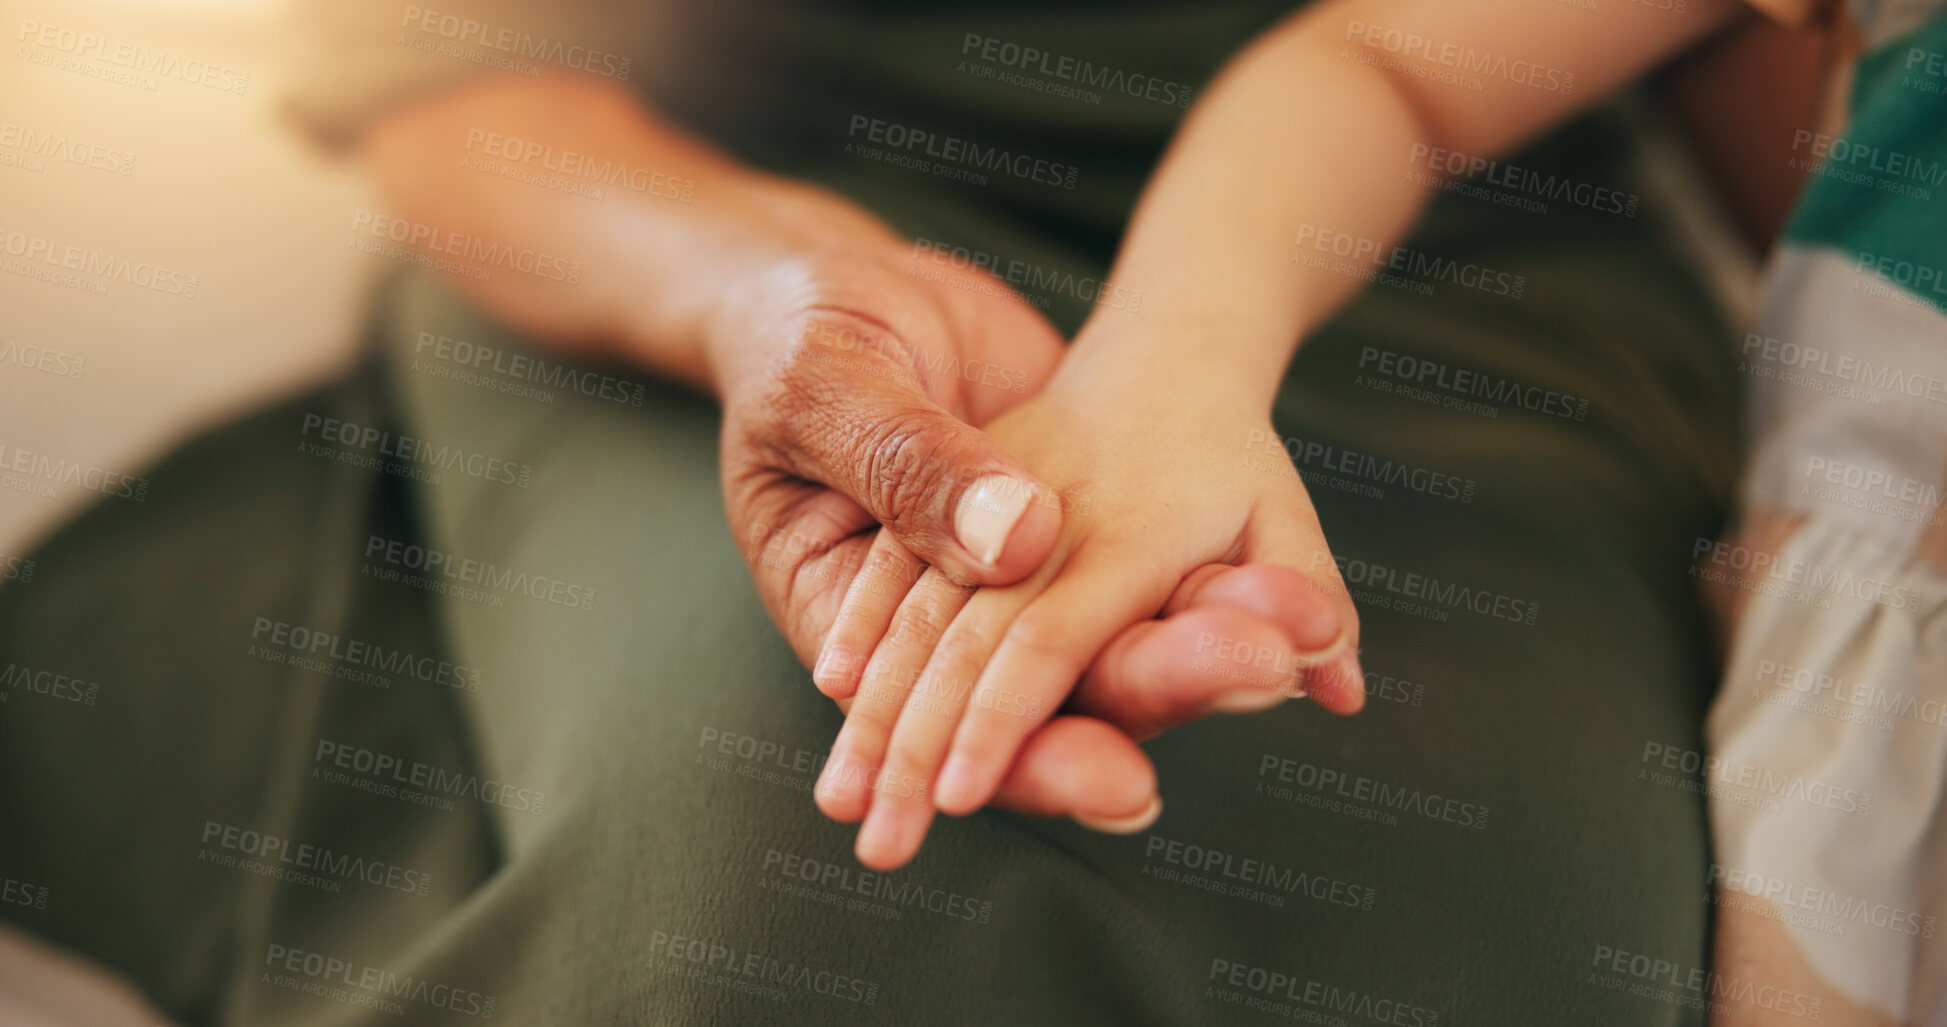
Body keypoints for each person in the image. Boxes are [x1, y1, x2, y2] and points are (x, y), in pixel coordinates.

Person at [0, 0, 1762, 1021]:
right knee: (788, 889)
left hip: (1449, 288)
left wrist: (1175, 368)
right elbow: (454, 86)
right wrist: (780, 300)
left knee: (1481, 934)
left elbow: (1791, 132)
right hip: (701, 233)